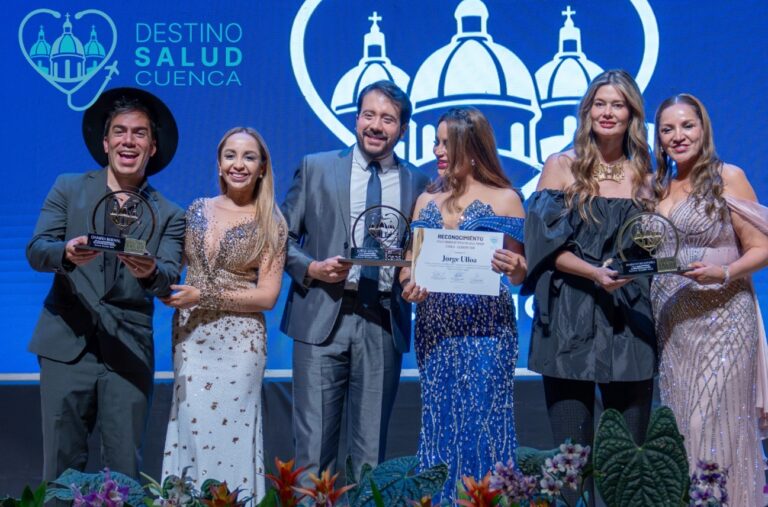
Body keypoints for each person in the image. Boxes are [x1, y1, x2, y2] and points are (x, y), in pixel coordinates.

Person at [26, 87, 185, 481]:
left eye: (139, 133)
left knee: (125, 474)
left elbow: (168, 279)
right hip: (66, 346)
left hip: (128, 352)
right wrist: (66, 253)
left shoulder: (170, 214)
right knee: (60, 471)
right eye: (119, 131)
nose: (128, 141)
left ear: (152, 147)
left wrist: (148, 270)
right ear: (105, 142)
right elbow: (36, 249)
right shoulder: (69, 187)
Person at [280, 80, 429, 480]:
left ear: (403, 129)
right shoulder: (317, 167)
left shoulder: (418, 183)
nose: (376, 125)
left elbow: (419, 251)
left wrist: (414, 272)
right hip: (321, 316)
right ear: (356, 118)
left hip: (382, 321)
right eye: (369, 115)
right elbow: (280, 239)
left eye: (388, 118)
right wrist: (311, 268)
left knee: (369, 459)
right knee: (312, 453)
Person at [521, 70, 656, 497]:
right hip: (568, 324)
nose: (608, 112)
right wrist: (595, 271)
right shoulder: (561, 166)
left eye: (618, 104)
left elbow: (657, 247)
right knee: (570, 460)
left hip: (629, 324)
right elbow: (542, 245)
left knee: (624, 456)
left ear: (632, 113)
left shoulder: (647, 176)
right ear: (587, 111)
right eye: (600, 103)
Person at [400, 107, 526, 502]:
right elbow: (409, 265)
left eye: (446, 143)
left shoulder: (506, 200)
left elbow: (520, 272)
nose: (437, 150)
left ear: (472, 149)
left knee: (485, 421)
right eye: (436, 142)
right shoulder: (425, 201)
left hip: (488, 329)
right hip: (436, 326)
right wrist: (409, 285)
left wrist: (516, 266)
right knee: (438, 422)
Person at [651, 94, 768, 506]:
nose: (679, 136)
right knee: (683, 428)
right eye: (668, 129)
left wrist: (723, 272)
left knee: (715, 426)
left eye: (687, 126)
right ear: (659, 138)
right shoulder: (656, 188)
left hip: (724, 319)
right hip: (673, 327)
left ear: (704, 129)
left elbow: (762, 246)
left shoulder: (727, 177)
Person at [160, 127, 286, 498]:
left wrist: (205, 295)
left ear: (262, 168)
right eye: (230, 155)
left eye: (249, 157)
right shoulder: (197, 210)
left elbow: (267, 297)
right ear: (219, 163)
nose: (239, 164)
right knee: (191, 428)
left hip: (239, 344)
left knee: (231, 433)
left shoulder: (272, 223)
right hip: (192, 338)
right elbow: (171, 265)